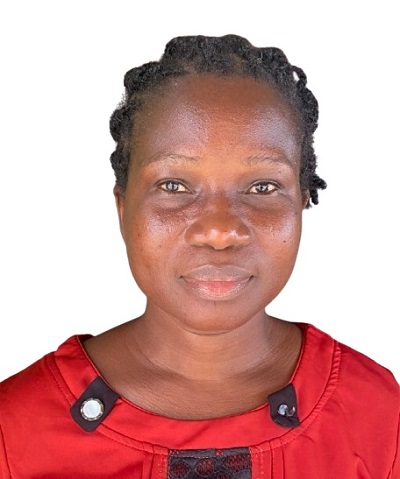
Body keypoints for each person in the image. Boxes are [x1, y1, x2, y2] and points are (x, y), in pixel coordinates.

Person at [0, 34, 398, 478]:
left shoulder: (376, 414)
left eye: (263, 187)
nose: (220, 232)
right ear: (123, 208)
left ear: (302, 203)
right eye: (174, 186)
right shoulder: (14, 431)